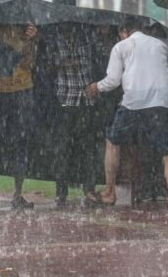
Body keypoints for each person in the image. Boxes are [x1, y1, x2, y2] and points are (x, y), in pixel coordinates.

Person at [86, 18, 168, 208]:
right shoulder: (161, 45)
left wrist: (96, 87)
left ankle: (109, 192)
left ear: (124, 32)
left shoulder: (121, 47)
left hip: (133, 102)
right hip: (162, 101)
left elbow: (113, 80)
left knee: (112, 142)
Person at [0, 22, 39, 210]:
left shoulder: (25, 30)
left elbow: (29, 63)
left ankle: (18, 193)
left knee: (21, 142)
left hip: (22, 89)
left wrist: (31, 41)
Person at [47, 23, 102, 207]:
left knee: (87, 148)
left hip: (85, 100)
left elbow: (95, 63)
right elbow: (47, 65)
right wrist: (60, 62)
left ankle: (89, 189)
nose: (70, 30)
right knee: (62, 149)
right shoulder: (54, 41)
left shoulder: (86, 40)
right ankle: (61, 191)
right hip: (65, 100)